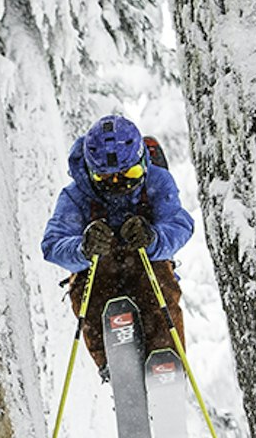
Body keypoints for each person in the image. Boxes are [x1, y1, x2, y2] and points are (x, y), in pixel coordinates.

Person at [40, 114, 195, 378]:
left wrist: (153, 238)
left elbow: (180, 224)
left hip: (147, 269)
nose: (118, 185)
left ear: (142, 162)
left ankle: (165, 360)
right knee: (87, 290)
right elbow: (53, 243)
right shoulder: (76, 196)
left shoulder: (157, 182)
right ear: (91, 173)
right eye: (105, 179)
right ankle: (112, 365)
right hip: (100, 276)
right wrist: (83, 248)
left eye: (129, 174)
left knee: (159, 282)